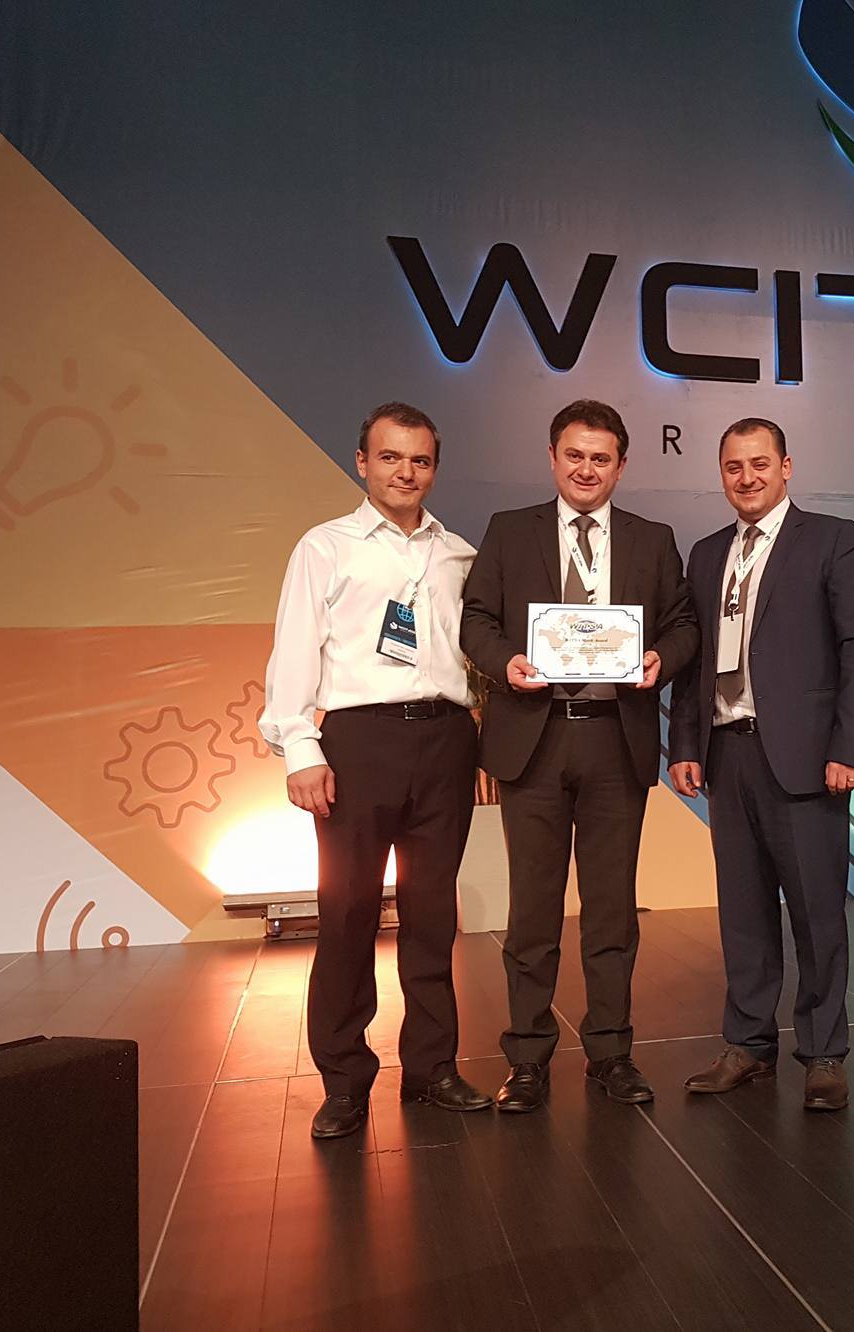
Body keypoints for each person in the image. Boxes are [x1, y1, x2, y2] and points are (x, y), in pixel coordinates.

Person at [461, 399, 698, 1111]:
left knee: (612, 912)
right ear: (552, 457)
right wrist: (506, 663)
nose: (586, 469)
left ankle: (611, 1054)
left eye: (601, 458)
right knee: (533, 912)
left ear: (621, 465)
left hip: (614, 738)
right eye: (574, 455)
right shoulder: (509, 531)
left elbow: (684, 623)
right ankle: (528, 1058)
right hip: (533, 738)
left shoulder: (653, 539)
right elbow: (476, 618)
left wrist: (661, 658)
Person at [260, 403, 488, 1140]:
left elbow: (474, 654)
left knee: (433, 914)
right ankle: (344, 1081)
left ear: (435, 469)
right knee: (349, 913)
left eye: (420, 460)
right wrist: (301, 749)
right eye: (390, 457)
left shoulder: (459, 554)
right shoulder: (325, 547)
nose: (405, 472)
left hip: (445, 741)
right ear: (362, 462)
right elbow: (294, 651)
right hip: (358, 743)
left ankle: (432, 1068)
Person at [668, 418, 854, 1110]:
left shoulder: (832, 539)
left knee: (817, 913)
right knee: (743, 913)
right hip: (728, 753)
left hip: (807, 759)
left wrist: (848, 749)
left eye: (760, 463)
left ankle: (823, 1052)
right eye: (734, 466)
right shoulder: (707, 554)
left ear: (786, 466)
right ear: (721, 474)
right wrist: (685, 744)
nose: (747, 477)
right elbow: (694, 661)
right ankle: (748, 1044)